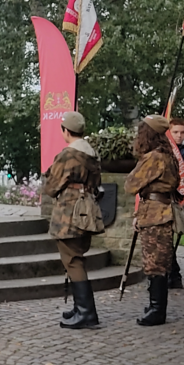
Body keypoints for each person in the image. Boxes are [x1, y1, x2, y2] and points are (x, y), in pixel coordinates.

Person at [43, 112, 103, 329]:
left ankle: (87, 313)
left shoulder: (67, 155)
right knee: (76, 256)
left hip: (69, 211)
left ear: (65, 131)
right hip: (87, 209)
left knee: (72, 260)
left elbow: (51, 187)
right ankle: (80, 308)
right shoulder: (92, 154)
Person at [126, 115, 181, 326]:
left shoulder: (154, 158)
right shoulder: (168, 156)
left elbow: (130, 185)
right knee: (157, 260)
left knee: (155, 263)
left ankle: (158, 310)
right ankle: (155, 305)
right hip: (160, 211)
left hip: (156, 214)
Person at [167, 118, 184, 289]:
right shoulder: (165, 151)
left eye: (182, 132)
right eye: (175, 132)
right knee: (167, 238)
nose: (179, 136)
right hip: (171, 199)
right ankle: (173, 275)